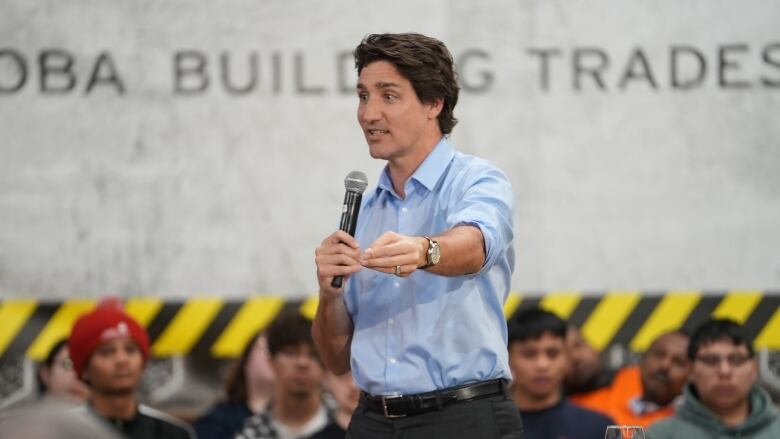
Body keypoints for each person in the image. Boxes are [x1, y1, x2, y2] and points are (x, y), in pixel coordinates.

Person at [313, 33, 522, 438]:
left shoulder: (477, 180)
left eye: (388, 96)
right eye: (362, 96)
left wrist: (425, 251)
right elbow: (336, 360)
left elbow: (477, 244)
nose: (369, 113)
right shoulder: (364, 208)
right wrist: (329, 294)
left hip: (464, 418)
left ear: (433, 103)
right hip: (372, 421)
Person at [68, 299, 196, 439]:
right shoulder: (57, 432)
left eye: (130, 350)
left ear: (143, 362)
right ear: (85, 369)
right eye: (107, 352)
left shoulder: (173, 434)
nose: (122, 360)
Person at [647, 318, 780, 438]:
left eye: (736, 360)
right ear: (691, 371)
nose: (724, 371)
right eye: (711, 360)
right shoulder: (658, 435)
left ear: (754, 368)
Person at [508, 308, 613, 439]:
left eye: (553, 353)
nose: (542, 365)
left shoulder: (599, 428)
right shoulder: (484, 429)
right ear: (508, 358)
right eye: (529, 354)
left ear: (568, 357)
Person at [236, 310, 343, 439]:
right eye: (290, 353)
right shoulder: (251, 434)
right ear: (271, 361)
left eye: (314, 354)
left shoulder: (349, 424)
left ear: (326, 363)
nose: (302, 363)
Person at [569, 330, 691, 428]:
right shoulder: (614, 385)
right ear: (643, 359)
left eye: (679, 362)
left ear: (693, 374)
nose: (665, 366)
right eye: (659, 355)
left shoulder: (692, 424)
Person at [194, 332, 275, 439]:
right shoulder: (216, 422)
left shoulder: (298, 425)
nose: (275, 358)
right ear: (246, 362)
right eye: (268, 350)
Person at [564, 325, 615, 399]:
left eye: (578, 345)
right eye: (566, 353)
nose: (575, 356)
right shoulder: (555, 407)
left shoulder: (633, 378)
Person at [37, 338, 90, 404]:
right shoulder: (25, 412)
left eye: (86, 367)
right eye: (68, 364)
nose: (78, 375)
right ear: (45, 373)